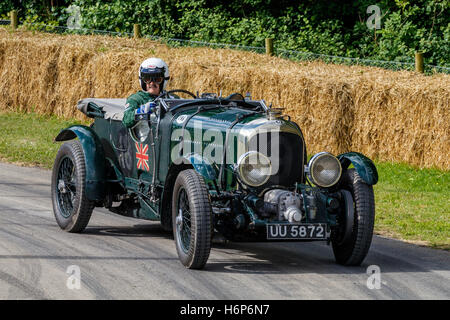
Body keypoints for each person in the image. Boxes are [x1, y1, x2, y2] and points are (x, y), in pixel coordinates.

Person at [122, 57, 170, 128]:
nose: (152, 83)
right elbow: (126, 121)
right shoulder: (136, 99)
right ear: (142, 81)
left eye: (157, 79)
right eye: (147, 79)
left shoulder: (171, 98)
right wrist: (141, 111)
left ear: (163, 81)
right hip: (147, 136)